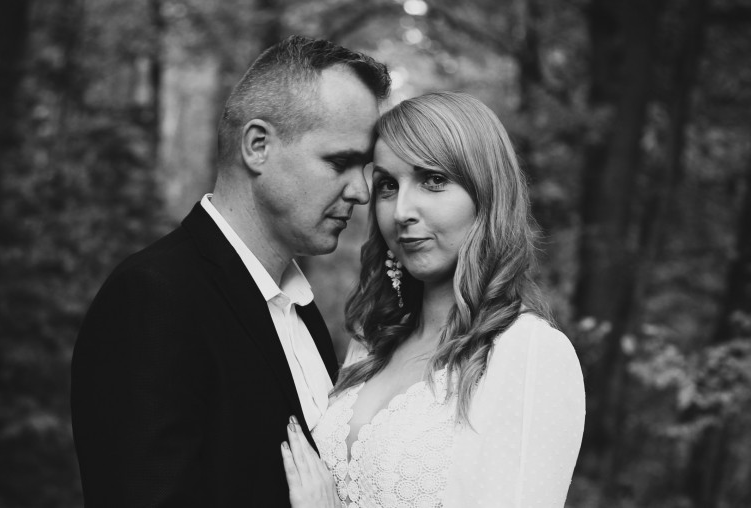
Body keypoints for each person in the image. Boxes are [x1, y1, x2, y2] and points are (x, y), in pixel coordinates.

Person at [70, 35, 390, 507]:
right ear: (258, 146)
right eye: (340, 162)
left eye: (365, 168)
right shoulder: (152, 298)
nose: (361, 192)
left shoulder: (299, 309)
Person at [281, 91, 586, 507]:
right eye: (388, 186)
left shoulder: (530, 353)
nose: (402, 211)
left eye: (433, 180)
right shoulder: (372, 342)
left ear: (485, 195)